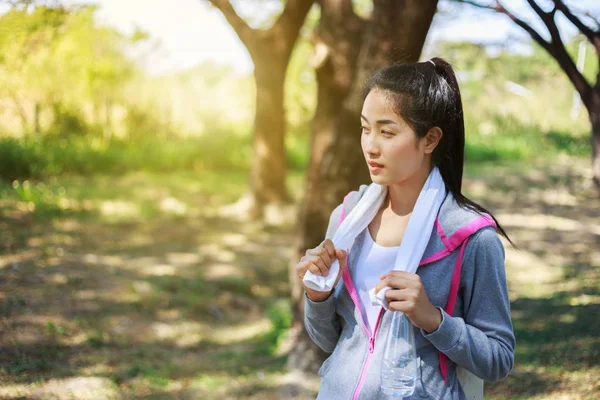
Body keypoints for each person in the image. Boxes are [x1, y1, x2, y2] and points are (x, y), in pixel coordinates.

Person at [295, 58, 515, 400]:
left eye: (387, 131)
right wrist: (318, 296)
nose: (370, 145)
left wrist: (433, 319)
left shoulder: (471, 238)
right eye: (366, 128)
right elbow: (330, 341)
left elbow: (499, 359)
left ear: (430, 140)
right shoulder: (347, 220)